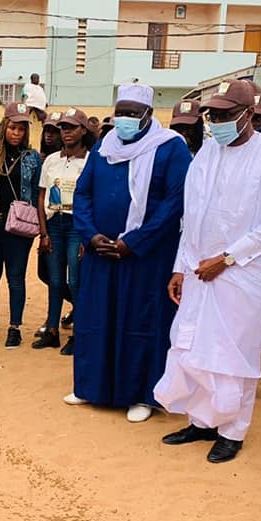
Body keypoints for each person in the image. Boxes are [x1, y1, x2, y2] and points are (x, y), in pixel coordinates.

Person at [154, 80, 261, 464]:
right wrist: (180, 268)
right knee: (194, 346)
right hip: (198, 270)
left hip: (242, 272)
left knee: (235, 354)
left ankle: (232, 431)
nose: (216, 121)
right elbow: (194, 218)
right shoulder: (206, 154)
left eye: (224, 115)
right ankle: (202, 420)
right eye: (212, 115)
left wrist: (228, 258)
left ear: (248, 114)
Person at [65, 83, 190, 423]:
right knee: (96, 318)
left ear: (149, 115)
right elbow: (83, 194)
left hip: (145, 256)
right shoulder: (104, 147)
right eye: (120, 113)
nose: (125, 120)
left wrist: (134, 241)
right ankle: (91, 387)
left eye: (133, 114)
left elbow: (174, 203)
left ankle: (141, 395)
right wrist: (91, 236)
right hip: (101, 253)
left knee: (139, 322)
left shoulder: (170, 149)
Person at [0, 102, 43, 348]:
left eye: (21, 129)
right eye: (13, 127)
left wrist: (35, 225)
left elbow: (35, 193)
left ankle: (15, 328)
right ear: (4, 128)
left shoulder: (32, 158)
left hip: (19, 228)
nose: (16, 133)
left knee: (16, 277)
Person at [34, 108, 94, 354]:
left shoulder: (91, 160)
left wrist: (87, 236)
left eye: (72, 127)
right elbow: (41, 196)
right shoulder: (51, 160)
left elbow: (94, 199)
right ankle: (51, 330)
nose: (66, 132)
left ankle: (79, 335)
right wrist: (44, 232)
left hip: (76, 227)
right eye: (63, 128)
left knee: (75, 281)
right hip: (54, 224)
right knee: (55, 281)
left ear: (83, 130)